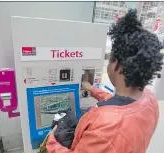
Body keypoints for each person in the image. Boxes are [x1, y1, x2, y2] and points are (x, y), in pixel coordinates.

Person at [46, 9, 163, 153]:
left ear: (117, 65)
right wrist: (92, 89)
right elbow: (121, 106)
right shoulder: (150, 101)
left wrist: (51, 141)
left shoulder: (105, 128)